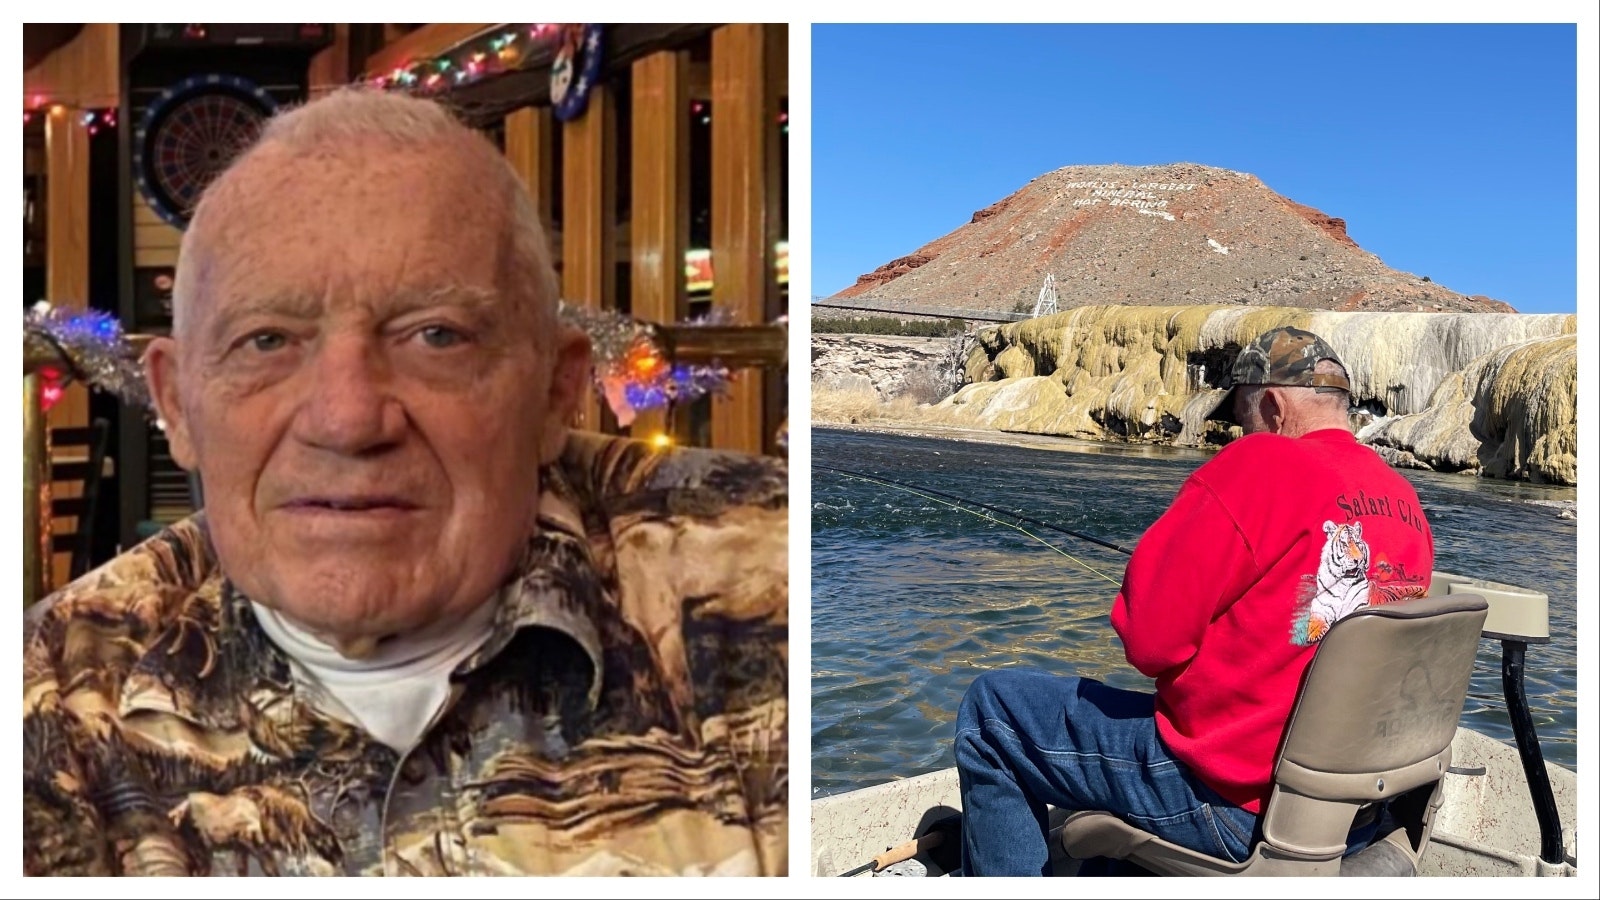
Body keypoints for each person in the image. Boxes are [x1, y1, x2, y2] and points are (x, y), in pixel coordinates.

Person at [22, 89, 789, 877]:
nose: (349, 420)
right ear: (178, 404)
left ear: (556, 392)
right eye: (266, 341)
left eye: (436, 336)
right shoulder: (47, 700)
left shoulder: (770, 584)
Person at [953, 326, 1434, 876]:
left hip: (1233, 803)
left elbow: (1149, 643)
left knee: (992, 710)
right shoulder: (1402, 500)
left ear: (1273, 406)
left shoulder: (1259, 464)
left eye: (1242, 417)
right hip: (1351, 812)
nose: (1239, 432)